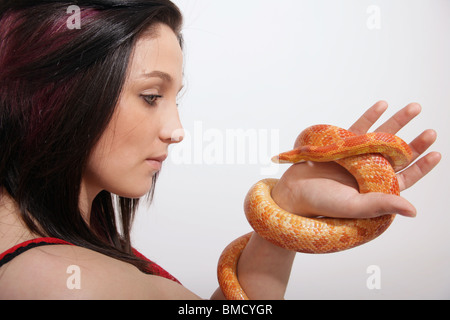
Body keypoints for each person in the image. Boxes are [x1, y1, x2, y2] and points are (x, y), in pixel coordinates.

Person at [0, 0, 441, 300]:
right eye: (151, 96)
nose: (176, 130)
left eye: (176, 100)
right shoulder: (63, 281)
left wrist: (283, 214)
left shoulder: (48, 244)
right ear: (57, 94)